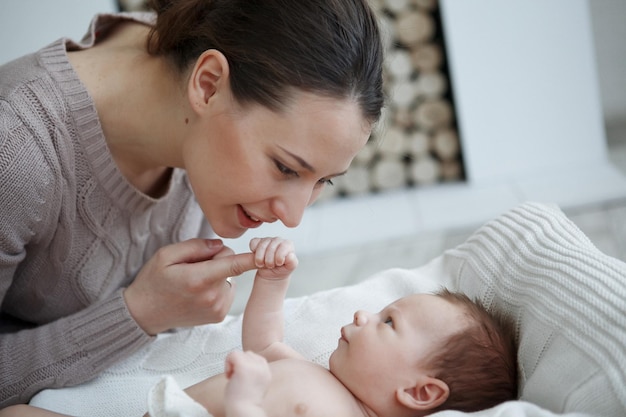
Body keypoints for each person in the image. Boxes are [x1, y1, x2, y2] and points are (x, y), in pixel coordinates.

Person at [0, 0, 385, 407]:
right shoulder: (17, 151)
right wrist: (140, 313)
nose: (292, 217)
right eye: (286, 168)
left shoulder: (196, 57)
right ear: (208, 84)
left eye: (322, 180)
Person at [0, 237, 518, 417]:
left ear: (421, 391)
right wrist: (273, 282)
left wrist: (245, 403)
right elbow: (265, 342)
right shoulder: (320, 379)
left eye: (388, 322)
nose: (363, 314)